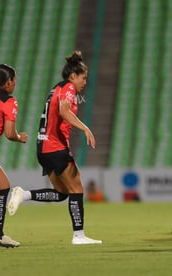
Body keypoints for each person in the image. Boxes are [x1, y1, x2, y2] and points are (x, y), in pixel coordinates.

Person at [7, 51, 102, 245]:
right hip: (55, 146)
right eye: (83, 78)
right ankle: (79, 236)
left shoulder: (56, 88)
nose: (85, 82)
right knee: (77, 188)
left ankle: (24, 194)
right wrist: (85, 128)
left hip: (43, 147)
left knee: (62, 193)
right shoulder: (68, 88)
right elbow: (64, 111)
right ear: (73, 76)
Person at [0, 64, 27, 248]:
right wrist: (21, 137)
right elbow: (9, 133)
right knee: (3, 187)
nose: (15, 84)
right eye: (14, 80)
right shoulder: (9, 101)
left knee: (2, 185)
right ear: (7, 83)